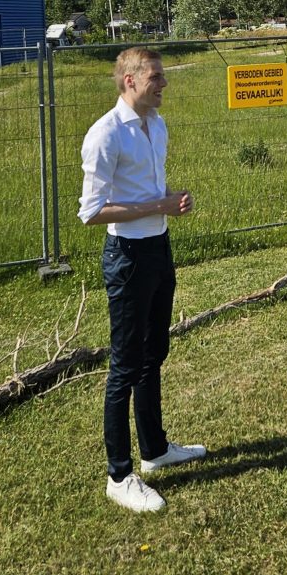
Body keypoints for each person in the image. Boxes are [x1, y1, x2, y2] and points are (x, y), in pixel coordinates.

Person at [78, 46, 206, 513]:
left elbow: (148, 193)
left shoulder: (157, 124)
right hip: (127, 256)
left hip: (158, 248)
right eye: (156, 77)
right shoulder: (105, 134)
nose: (164, 84)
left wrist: (169, 199)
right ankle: (119, 475)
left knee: (156, 352)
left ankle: (154, 451)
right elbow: (91, 212)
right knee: (125, 365)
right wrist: (159, 205)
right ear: (130, 80)